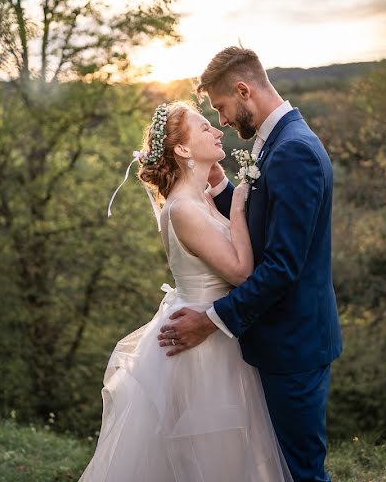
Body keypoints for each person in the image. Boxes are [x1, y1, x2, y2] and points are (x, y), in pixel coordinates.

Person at [80, 101, 292, 481]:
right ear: (181, 149)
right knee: (209, 459)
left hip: (217, 334)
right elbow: (242, 272)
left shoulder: (201, 199)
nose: (217, 131)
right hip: (203, 351)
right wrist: (240, 206)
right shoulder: (184, 209)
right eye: (205, 127)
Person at [158, 47, 342, 482]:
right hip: (275, 340)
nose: (222, 121)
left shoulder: (293, 150)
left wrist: (212, 319)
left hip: (294, 344)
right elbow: (260, 229)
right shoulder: (277, 142)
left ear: (243, 90)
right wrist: (223, 191)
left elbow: (280, 266)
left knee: (300, 473)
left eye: (220, 108)